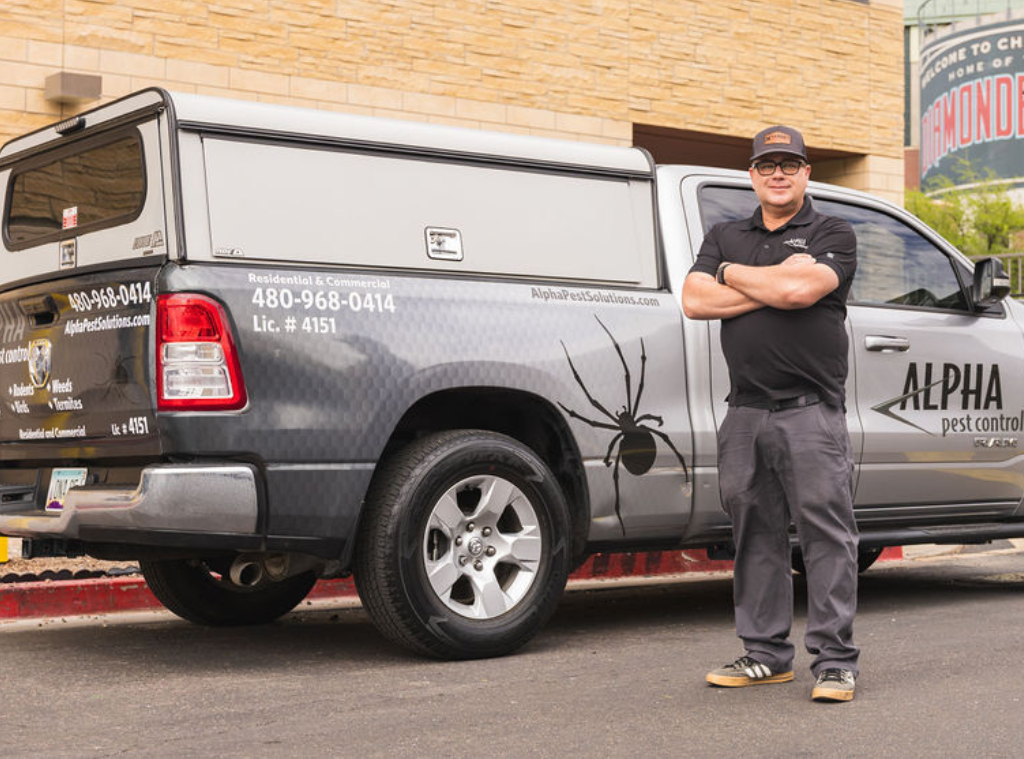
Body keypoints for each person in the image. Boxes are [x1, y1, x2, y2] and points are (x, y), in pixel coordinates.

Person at [682, 125, 859, 703]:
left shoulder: (833, 231)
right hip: (744, 413)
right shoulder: (725, 233)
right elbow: (694, 300)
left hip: (810, 412)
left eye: (788, 164)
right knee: (754, 536)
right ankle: (765, 655)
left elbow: (801, 294)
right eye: (766, 165)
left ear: (806, 172)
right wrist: (776, 279)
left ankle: (835, 663)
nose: (777, 174)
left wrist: (730, 274)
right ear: (752, 175)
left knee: (826, 537)